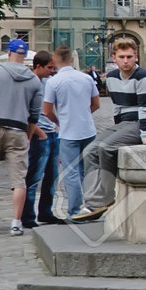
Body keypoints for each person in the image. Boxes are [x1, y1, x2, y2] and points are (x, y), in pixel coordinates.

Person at [71, 38, 146, 222]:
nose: (126, 61)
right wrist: (117, 129)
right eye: (121, 57)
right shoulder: (112, 78)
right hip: (126, 124)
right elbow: (118, 108)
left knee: (106, 147)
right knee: (90, 150)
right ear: (114, 58)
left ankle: (104, 198)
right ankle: (91, 201)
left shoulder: (144, 78)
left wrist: (145, 136)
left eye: (129, 57)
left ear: (136, 56)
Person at [42, 45, 99, 220]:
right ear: (72, 59)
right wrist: (84, 113)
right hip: (87, 129)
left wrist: (58, 120)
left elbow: (47, 110)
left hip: (68, 131)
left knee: (71, 171)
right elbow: (96, 104)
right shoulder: (86, 78)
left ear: (54, 60)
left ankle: (75, 210)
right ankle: (91, 205)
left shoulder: (53, 82)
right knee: (88, 170)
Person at [0, 40, 43, 236]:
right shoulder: (34, 80)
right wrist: (28, 136)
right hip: (17, 129)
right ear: (25, 56)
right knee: (19, 180)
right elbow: (35, 114)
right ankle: (16, 222)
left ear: (8, 53)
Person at [21, 51, 60, 229]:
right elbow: (23, 110)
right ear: (38, 66)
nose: (52, 71)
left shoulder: (48, 82)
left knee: (52, 175)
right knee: (34, 175)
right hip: (39, 135)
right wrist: (37, 131)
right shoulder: (28, 83)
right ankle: (28, 216)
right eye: (50, 68)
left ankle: (46, 211)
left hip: (52, 132)